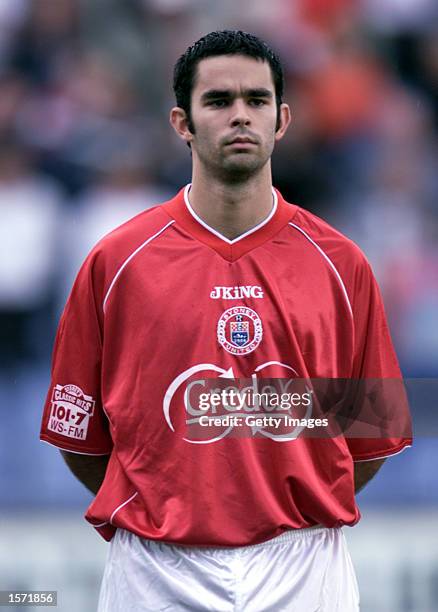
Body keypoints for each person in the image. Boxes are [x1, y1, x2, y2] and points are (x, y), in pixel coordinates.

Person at [40, 30, 412, 611]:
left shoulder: (341, 263)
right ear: (182, 122)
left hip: (304, 564)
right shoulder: (117, 263)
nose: (240, 116)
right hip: (157, 566)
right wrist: (167, 509)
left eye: (256, 101)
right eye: (218, 101)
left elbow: (369, 439)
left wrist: (292, 507)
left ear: (282, 119)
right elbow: (81, 441)